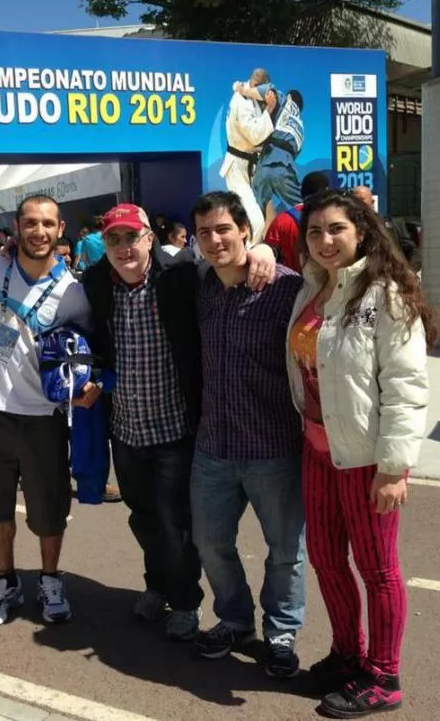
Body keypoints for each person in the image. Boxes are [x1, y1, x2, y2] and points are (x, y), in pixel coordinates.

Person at [82, 202, 279, 641]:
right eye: (113, 239)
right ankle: (157, 585)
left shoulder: (181, 275)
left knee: (177, 524)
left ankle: (187, 601)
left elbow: (228, 259)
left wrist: (263, 248)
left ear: (150, 238)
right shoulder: (96, 283)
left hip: (174, 430)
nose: (123, 247)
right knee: (143, 517)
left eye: (132, 237)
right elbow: (93, 342)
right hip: (127, 430)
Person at [287, 191, 433, 717]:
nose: (325, 241)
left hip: (367, 458)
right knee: (326, 561)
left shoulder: (387, 295)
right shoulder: (312, 290)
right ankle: (347, 654)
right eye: (314, 232)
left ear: (362, 233)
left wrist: (395, 467)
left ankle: (384, 675)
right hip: (317, 452)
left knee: (378, 570)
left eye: (336, 230)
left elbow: (406, 385)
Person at [0, 194, 92, 628]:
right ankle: (6, 580)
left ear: (61, 229)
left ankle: (50, 579)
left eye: (47, 224)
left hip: (45, 414)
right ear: (17, 226)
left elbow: (89, 347)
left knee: (49, 506)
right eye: (30, 223)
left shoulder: (72, 291)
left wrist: (88, 385)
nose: (38, 231)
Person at [188, 192, 307, 679]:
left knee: (285, 551)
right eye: (204, 233)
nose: (215, 241)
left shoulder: (286, 289)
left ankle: (281, 631)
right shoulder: (202, 289)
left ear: (244, 230)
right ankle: (235, 620)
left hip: (272, 448)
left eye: (223, 230)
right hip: (213, 446)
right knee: (211, 543)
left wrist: (270, 252)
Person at [222, 68, 276, 238]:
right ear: (254, 84)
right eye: (259, 88)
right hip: (237, 166)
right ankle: (250, 261)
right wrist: (270, 108)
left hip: (252, 165)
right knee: (256, 222)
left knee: (268, 218)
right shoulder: (242, 100)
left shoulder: (250, 97)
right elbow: (254, 135)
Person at [251, 87, 306, 230]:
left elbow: (269, 92)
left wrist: (243, 90)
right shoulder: (301, 129)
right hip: (285, 169)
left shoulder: (285, 103)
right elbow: (290, 150)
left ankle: (261, 247)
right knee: (303, 215)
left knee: (257, 217)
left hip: (263, 168)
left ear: (289, 97)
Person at [263, 171, 331, 271]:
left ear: (302, 192)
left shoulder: (282, 221)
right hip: (328, 283)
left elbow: (267, 256)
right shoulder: (336, 219)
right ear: (327, 191)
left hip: (290, 282)